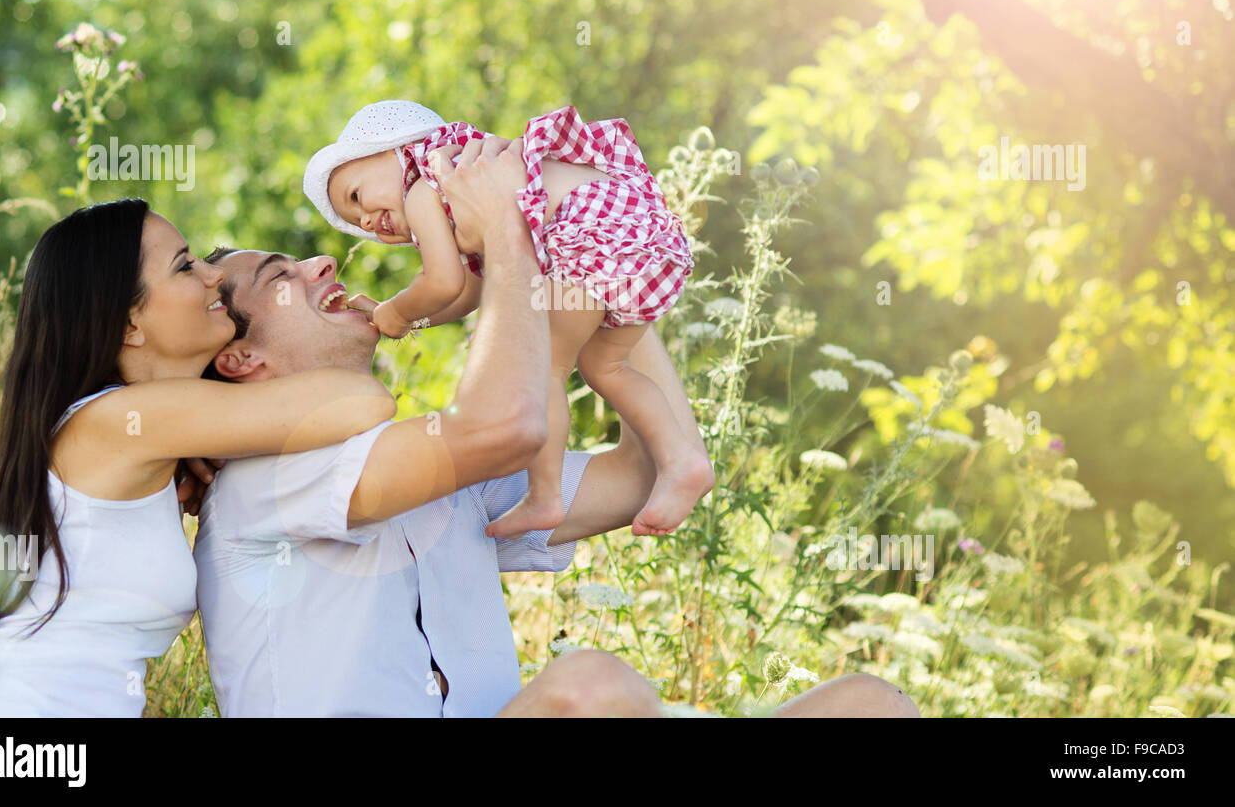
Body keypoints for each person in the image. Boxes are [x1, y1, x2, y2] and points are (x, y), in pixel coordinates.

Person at [194, 138, 920, 718]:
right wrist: (509, 228)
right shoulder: (268, 479)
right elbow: (505, 421)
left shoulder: (427, 471)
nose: (326, 256)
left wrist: (603, 249)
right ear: (239, 357)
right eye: (282, 276)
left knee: (869, 704)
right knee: (590, 690)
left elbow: (638, 477)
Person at [0, 199, 396, 717]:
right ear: (129, 323)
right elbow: (361, 399)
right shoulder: (121, 421)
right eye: (185, 266)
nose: (213, 275)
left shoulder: (135, 438)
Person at [302, 101, 714, 539]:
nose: (365, 220)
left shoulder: (425, 188)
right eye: (356, 223)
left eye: (356, 197)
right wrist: (411, 322)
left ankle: (545, 497)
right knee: (607, 367)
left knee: (548, 368)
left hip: (589, 237)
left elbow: (440, 282)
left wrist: (394, 311)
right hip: (636, 231)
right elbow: (472, 292)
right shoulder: (465, 178)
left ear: (394, 152)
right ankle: (684, 460)